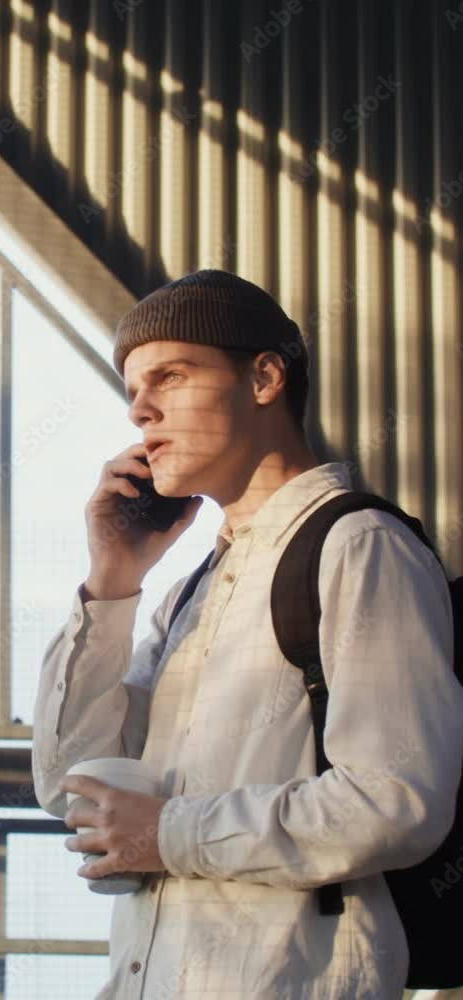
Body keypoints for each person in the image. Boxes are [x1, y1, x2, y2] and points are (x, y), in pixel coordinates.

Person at [32, 269, 463, 999]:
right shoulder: (189, 595)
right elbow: (70, 784)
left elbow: (396, 801)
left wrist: (170, 834)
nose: (140, 410)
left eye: (170, 376)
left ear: (264, 377)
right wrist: (112, 579)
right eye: (133, 391)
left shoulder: (358, 544)